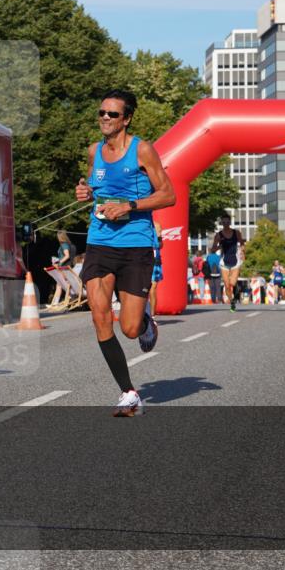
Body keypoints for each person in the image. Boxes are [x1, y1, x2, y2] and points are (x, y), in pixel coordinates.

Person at [75, 89, 175, 417]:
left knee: (129, 328)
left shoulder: (142, 150)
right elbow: (95, 188)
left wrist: (129, 206)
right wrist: (85, 191)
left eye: (112, 114)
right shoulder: (94, 152)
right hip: (100, 241)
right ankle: (129, 392)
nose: (104, 118)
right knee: (100, 315)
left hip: (135, 245)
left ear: (126, 119)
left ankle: (146, 322)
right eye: (101, 113)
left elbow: (168, 195)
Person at [211, 214, 245, 312]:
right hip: (224, 263)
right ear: (222, 223)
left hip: (235, 262)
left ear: (230, 222)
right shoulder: (218, 235)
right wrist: (219, 246)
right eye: (224, 222)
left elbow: (242, 243)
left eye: (227, 222)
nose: (226, 224)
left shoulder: (236, 233)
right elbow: (213, 249)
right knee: (226, 285)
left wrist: (243, 252)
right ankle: (232, 302)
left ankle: (236, 291)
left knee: (232, 283)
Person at [48, 230, 76, 307]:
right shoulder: (70, 245)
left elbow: (67, 256)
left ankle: (55, 303)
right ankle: (56, 302)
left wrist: (59, 262)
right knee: (62, 284)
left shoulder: (64, 245)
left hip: (64, 267)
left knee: (60, 284)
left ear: (60, 237)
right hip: (67, 267)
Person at [149, 222, 164, 317]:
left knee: (152, 288)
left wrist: (159, 238)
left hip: (155, 262)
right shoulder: (139, 224)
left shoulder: (157, 225)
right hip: (141, 260)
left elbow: (161, 245)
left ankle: (152, 315)